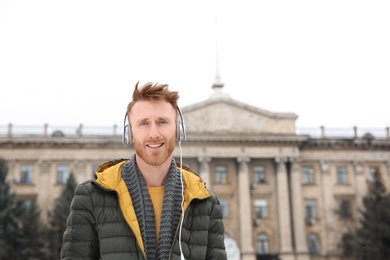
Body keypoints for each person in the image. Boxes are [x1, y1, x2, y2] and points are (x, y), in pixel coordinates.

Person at [60, 81, 227, 260]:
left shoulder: (205, 203)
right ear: (130, 133)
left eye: (162, 122)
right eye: (144, 124)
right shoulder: (91, 197)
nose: (154, 133)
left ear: (178, 130)